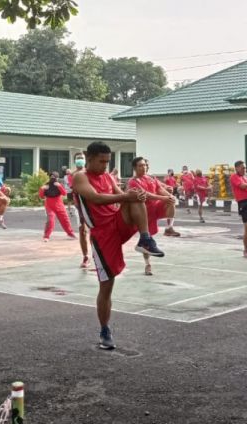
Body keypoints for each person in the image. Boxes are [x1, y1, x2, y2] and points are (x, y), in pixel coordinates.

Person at [73, 141, 164, 350]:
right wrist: (127, 195)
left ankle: (145, 239)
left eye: (107, 162)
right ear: (88, 158)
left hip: (116, 222)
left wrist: (137, 195)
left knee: (135, 195)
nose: (105, 166)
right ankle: (104, 329)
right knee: (107, 286)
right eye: (101, 162)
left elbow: (121, 194)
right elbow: (95, 198)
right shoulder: (80, 177)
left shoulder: (107, 176)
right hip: (102, 235)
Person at [127, 157, 178, 275]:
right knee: (146, 241)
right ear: (134, 168)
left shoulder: (150, 178)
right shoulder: (133, 181)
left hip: (156, 208)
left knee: (171, 201)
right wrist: (164, 197)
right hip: (144, 214)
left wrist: (169, 196)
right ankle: (147, 264)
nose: (144, 167)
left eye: (145, 165)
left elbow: (159, 188)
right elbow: (147, 195)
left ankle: (169, 227)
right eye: (140, 165)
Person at [67, 153, 90, 268]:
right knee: (82, 231)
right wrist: (72, 206)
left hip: (92, 206)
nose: (80, 160)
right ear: (74, 160)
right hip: (79, 206)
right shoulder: (72, 175)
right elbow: (72, 191)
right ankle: (85, 256)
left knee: (96, 232)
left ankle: (98, 255)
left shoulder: (90, 172)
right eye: (78, 158)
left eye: (82, 158)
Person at [38, 171, 76, 241]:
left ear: (57, 178)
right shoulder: (46, 185)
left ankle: (70, 233)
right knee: (51, 220)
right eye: (51, 177)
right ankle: (46, 236)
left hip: (59, 205)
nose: (53, 179)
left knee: (65, 220)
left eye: (54, 177)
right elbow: (41, 196)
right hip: (49, 206)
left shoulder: (59, 185)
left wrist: (59, 186)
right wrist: (42, 189)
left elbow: (64, 193)